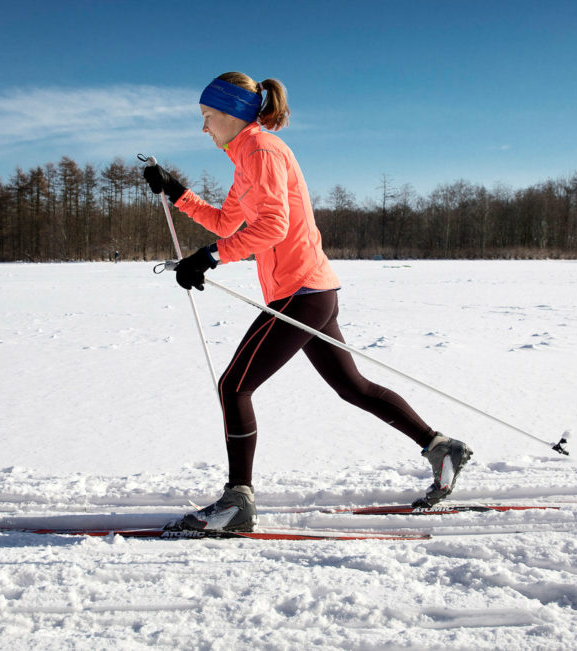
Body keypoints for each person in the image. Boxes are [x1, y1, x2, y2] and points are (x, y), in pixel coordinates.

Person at [143, 72, 472, 532]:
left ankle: (237, 502)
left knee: (233, 386)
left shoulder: (262, 153)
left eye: (208, 117)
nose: (204, 128)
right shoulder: (247, 158)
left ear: (234, 113)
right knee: (352, 386)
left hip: (299, 292)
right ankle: (441, 448)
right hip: (311, 290)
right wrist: (175, 192)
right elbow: (224, 221)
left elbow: (273, 227)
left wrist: (209, 259)